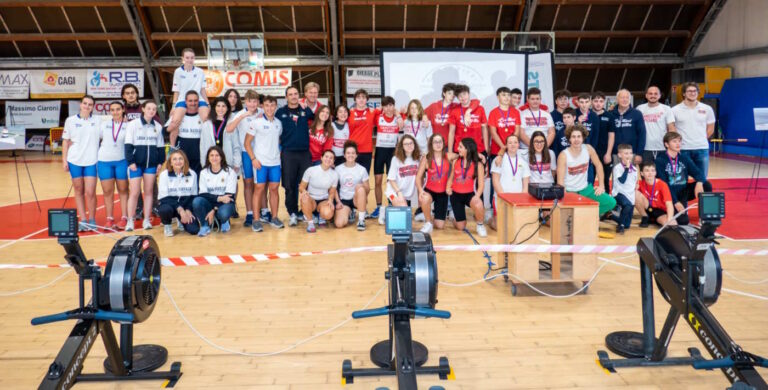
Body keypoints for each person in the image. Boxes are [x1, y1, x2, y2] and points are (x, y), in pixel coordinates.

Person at [244, 95, 284, 232]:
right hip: (261, 162)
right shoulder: (256, 122)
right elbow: (247, 143)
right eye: (267, 105)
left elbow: (278, 141)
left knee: (274, 189)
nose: (270, 108)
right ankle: (256, 219)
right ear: (263, 106)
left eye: (272, 105)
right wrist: (253, 159)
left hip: (275, 163)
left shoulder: (279, 123)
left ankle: (274, 217)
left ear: (276, 107)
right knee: (259, 189)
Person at [557, 124, 616, 216]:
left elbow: (599, 165)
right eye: (573, 137)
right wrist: (565, 197)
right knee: (568, 215)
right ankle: (583, 218)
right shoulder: (563, 155)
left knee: (611, 202)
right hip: (570, 191)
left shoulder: (588, 149)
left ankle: (587, 217)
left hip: (586, 189)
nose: (576, 139)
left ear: (583, 138)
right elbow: (560, 182)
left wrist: (601, 185)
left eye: (579, 136)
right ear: (569, 139)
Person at [654, 131, 712, 225]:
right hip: (669, 194)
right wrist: (676, 202)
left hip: (684, 192)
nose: (678, 144)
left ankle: (705, 216)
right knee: (683, 221)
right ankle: (662, 213)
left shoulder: (684, 158)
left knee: (706, 185)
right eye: (674, 141)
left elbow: (698, 172)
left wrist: (699, 182)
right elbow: (664, 185)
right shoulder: (660, 161)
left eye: (679, 141)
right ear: (666, 144)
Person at [278, 86, 315, 227]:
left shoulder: (305, 110)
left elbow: (318, 121)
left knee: (305, 185)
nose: (293, 96)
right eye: (290, 94)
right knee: (289, 185)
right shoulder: (280, 112)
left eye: (295, 94)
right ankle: (292, 213)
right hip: (288, 153)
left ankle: (304, 211)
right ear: (286, 97)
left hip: (305, 153)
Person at [124, 101, 165, 232]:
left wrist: (160, 163)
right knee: (135, 193)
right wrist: (131, 162)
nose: (151, 111)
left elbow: (160, 147)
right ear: (143, 109)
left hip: (151, 165)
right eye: (149, 108)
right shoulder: (133, 125)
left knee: (148, 193)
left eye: (154, 109)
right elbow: (128, 145)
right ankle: (130, 220)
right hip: (135, 165)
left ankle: (146, 219)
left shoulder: (157, 126)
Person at [62, 95, 100, 231]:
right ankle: (83, 219)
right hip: (74, 160)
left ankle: (92, 220)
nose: (87, 106)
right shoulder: (70, 121)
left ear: (93, 107)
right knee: (78, 190)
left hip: (91, 160)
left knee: (90, 192)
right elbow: (66, 141)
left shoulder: (98, 120)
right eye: (85, 103)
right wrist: (64, 160)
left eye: (90, 104)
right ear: (80, 104)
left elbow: (114, 123)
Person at [226, 89, 263, 227]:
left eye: (255, 101)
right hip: (246, 152)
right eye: (250, 101)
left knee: (260, 184)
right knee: (248, 183)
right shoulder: (240, 114)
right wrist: (241, 117)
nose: (252, 104)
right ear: (245, 102)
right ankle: (249, 213)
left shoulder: (262, 113)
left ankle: (261, 211)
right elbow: (229, 129)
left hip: (261, 152)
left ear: (258, 102)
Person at [672, 81, 716, 179]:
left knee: (702, 179)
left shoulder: (707, 109)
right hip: (682, 149)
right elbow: (672, 128)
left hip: (701, 148)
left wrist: (700, 139)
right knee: (681, 180)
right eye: (689, 91)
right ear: (684, 93)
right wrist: (677, 144)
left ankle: (700, 194)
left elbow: (711, 128)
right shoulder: (675, 110)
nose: (692, 93)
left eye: (694, 91)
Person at [97, 101, 129, 230]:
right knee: (107, 191)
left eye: (118, 109)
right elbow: (95, 140)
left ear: (122, 110)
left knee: (123, 190)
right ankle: (109, 218)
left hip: (122, 161)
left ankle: (124, 217)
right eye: (112, 110)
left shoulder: (129, 126)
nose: (115, 112)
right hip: (104, 161)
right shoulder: (104, 125)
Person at [193, 146, 238, 236]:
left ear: (221, 157)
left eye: (217, 155)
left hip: (226, 203)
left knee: (223, 213)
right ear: (208, 158)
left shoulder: (229, 172)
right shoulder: (204, 172)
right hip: (212, 202)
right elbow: (203, 194)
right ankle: (205, 226)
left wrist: (213, 210)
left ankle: (224, 221)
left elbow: (229, 197)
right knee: (197, 201)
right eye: (211, 155)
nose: (214, 158)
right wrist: (219, 198)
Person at [446, 138, 487, 237]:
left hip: (469, 194)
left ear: (467, 149)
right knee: (461, 227)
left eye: (460, 147)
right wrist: (448, 188)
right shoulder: (456, 161)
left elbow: (481, 185)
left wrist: (477, 196)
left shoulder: (478, 164)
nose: (458, 148)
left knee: (479, 204)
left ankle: (480, 225)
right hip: (455, 195)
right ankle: (455, 219)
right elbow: (451, 178)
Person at [378, 134, 421, 226]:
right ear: (402, 146)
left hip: (407, 194)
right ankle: (385, 212)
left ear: (414, 144)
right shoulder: (396, 159)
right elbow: (391, 179)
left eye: (411, 143)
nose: (409, 146)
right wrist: (399, 193)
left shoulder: (417, 159)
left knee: (405, 218)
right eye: (406, 144)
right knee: (404, 221)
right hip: (393, 192)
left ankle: (388, 209)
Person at [490, 134, 530, 230]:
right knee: (499, 228)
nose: (513, 145)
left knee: (516, 226)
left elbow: (526, 184)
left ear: (518, 145)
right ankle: (491, 219)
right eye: (510, 142)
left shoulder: (523, 162)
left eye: (515, 142)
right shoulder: (498, 160)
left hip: (517, 199)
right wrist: (504, 197)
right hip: (501, 198)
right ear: (506, 145)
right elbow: (495, 181)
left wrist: (521, 199)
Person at [372, 96, 403, 219]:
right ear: (383, 107)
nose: (389, 108)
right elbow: (371, 115)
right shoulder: (378, 117)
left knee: (391, 181)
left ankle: (391, 204)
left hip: (392, 152)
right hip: (380, 151)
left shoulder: (398, 117)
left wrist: (399, 114)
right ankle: (379, 207)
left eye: (391, 105)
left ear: (394, 106)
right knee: (378, 181)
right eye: (386, 106)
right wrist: (378, 110)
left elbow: (401, 126)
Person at [157, 149, 199, 237]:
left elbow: (193, 196)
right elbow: (163, 198)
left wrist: (188, 210)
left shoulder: (193, 174)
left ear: (185, 161)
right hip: (170, 205)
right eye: (174, 159)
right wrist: (180, 210)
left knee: (194, 230)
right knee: (165, 210)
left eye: (180, 159)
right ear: (170, 162)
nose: (178, 161)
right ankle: (167, 225)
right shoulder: (164, 175)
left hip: (185, 206)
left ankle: (181, 220)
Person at [167, 48, 209, 135]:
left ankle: (208, 145)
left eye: (192, 57)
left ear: (194, 58)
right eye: (187, 57)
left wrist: (208, 104)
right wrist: (173, 107)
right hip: (182, 99)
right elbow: (176, 91)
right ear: (183, 58)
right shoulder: (178, 71)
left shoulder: (200, 71)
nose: (190, 60)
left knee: (207, 120)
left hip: (198, 99)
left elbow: (202, 89)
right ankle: (172, 146)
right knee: (174, 122)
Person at [416, 134, 450, 234]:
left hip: (443, 193)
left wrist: (480, 156)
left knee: (440, 226)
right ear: (431, 144)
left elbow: (465, 154)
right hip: (430, 190)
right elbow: (418, 177)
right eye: (435, 142)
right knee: (424, 198)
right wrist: (421, 190)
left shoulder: (449, 156)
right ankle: (428, 222)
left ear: (443, 144)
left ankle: (431, 216)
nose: (438, 144)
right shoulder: (427, 158)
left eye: (440, 142)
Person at [300, 150, 339, 233]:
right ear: (321, 158)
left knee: (328, 213)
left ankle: (321, 216)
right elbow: (301, 187)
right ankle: (311, 223)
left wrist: (330, 200)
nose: (328, 159)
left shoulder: (334, 174)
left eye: (331, 158)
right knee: (304, 198)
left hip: (323, 200)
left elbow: (332, 191)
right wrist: (304, 191)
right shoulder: (311, 170)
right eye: (326, 157)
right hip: (311, 200)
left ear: (333, 161)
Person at [333, 141, 370, 230]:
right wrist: (338, 202)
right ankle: (350, 211)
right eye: (348, 153)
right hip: (344, 200)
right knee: (339, 224)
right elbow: (333, 188)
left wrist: (360, 190)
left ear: (356, 155)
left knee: (360, 188)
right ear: (344, 155)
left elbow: (368, 189)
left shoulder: (362, 169)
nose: (351, 155)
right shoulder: (338, 169)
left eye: (353, 153)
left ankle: (361, 220)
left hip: (357, 198)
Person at [606, 89, 645, 167]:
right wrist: (608, 153)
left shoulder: (637, 114)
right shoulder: (610, 114)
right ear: (617, 99)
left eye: (627, 98)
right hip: (615, 154)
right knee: (616, 177)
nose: (625, 100)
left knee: (631, 177)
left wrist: (639, 153)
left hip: (632, 154)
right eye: (622, 97)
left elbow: (642, 134)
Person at [200, 97, 240, 174]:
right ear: (214, 107)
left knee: (231, 184)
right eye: (218, 106)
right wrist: (204, 164)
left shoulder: (231, 124)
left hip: (227, 161)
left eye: (223, 106)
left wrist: (237, 163)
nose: (220, 109)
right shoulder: (206, 124)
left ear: (228, 108)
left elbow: (236, 145)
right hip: (211, 162)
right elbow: (203, 146)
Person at [636, 85, 676, 163]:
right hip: (645, 149)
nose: (653, 96)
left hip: (662, 148)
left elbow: (671, 129)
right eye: (650, 94)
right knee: (646, 174)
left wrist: (672, 147)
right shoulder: (639, 109)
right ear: (646, 95)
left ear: (660, 95)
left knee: (663, 174)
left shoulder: (666, 109)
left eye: (655, 94)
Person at [448, 84, 488, 157]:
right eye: (460, 96)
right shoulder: (454, 111)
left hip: (478, 149)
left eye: (464, 94)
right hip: (460, 150)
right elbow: (451, 132)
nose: (463, 97)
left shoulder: (480, 109)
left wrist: (486, 147)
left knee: (479, 168)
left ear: (469, 94)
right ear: (457, 98)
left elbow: (484, 129)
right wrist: (450, 152)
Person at [169, 91, 204, 173]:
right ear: (185, 101)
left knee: (198, 179)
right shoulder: (178, 115)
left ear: (198, 101)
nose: (193, 103)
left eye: (195, 100)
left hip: (199, 154)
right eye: (190, 101)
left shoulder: (203, 116)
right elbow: (167, 131)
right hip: (182, 154)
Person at [635, 162, 676, 228]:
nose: (650, 173)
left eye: (652, 170)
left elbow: (669, 204)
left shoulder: (662, 185)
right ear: (642, 173)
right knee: (635, 193)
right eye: (647, 170)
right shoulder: (639, 184)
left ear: (655, 173)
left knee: (671, 223)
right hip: (648, 208)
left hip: (660, 211)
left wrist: (670, 219)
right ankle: (645, 217)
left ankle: (655, 220)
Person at [348, 89, 378, 173]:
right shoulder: (349, 113)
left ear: (367, 99)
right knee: (351, 176)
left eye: (363, 97)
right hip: (352, 150)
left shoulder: (373, 112)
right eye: (358, 97)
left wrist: (399, 116)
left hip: (366, 150)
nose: (361, 99)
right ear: (355, 99)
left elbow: (387, 110)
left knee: (364, 177)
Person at [610, 144, 638, 234]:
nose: (629, 155)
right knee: (627, 206)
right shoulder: (617, 168)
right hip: (619, 193)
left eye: (630, 153)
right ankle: (620, 226)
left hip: (630, 196)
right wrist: (626, 168)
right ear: (619, 155)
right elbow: (622, 180)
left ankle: (611, 216)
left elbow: (634, 182)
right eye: (626, 153)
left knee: (627, 225)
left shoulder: (634, 169)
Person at [488, 87, 521, 158]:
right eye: (503, 95)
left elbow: (517, 131)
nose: (506, 97)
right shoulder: (493, 113)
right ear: (498, 97)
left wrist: (510, 145)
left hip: (512, 149)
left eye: (508, 95)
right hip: (497, 149)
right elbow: (493, 133)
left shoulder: (516, 112)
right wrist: (503, 147)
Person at [592, 91, 613, 194]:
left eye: (601, 101)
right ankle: (588, 205)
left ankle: (608, 206)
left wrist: (608, 153)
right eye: (596, 101)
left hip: (604, 152)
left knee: (605, 180)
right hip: (590, 152)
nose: (598, 103)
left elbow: (611, 136)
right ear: (591, 102)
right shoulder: (588, 115)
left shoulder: (609, 116)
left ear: (604, 102)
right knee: (589, 181)